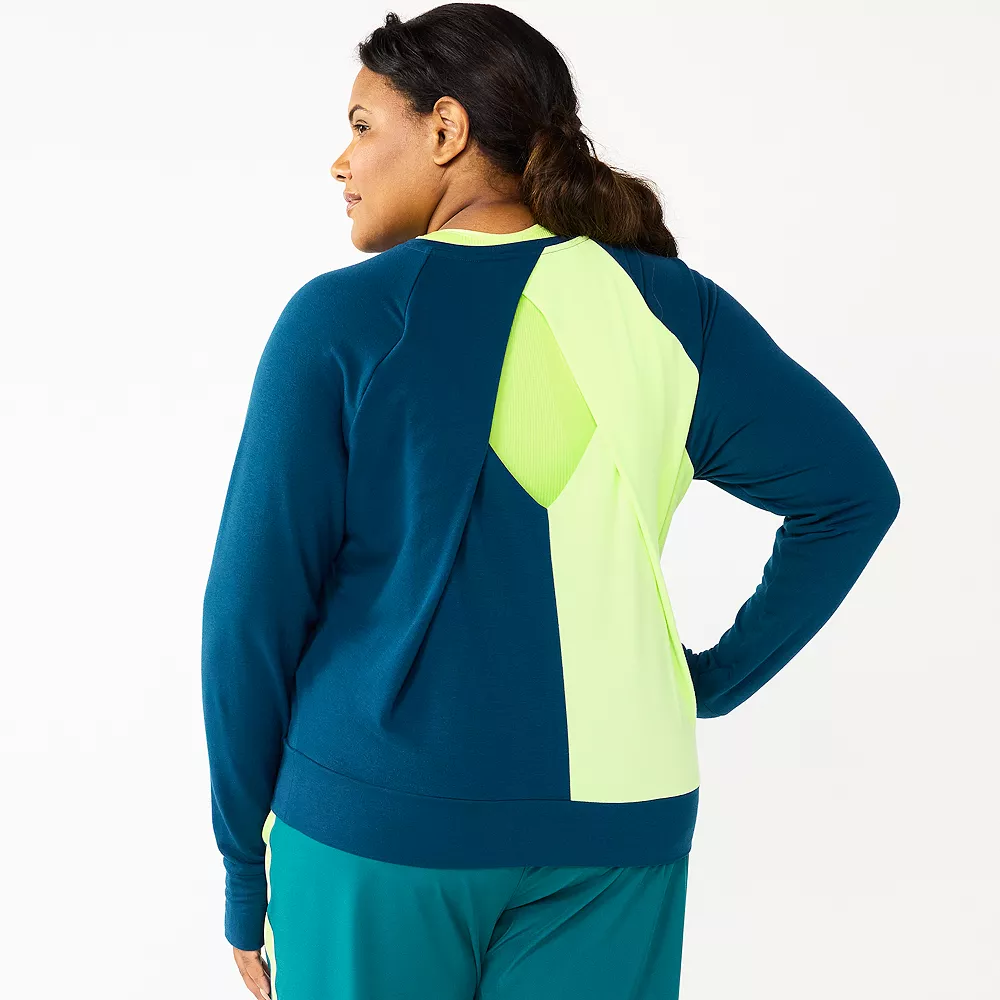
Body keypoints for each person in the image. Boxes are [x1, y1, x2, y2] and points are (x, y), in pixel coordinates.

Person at [200, 5, 900, 999]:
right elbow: (851, 494)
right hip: (622, 818)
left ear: (445, 129)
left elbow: (249, 613)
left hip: (379, 819)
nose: (339, 162)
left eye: (361, 126)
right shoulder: (672, 308)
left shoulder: (343, 320)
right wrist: (708, 681)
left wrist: (242, 868)